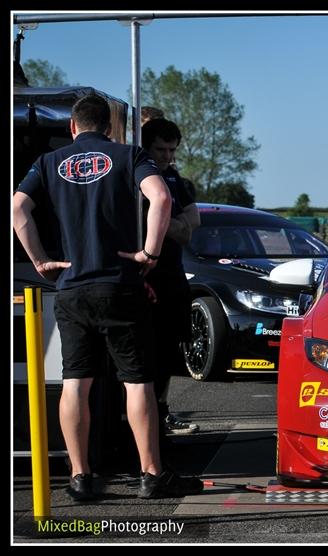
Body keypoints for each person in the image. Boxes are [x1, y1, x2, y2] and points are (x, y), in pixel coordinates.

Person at [13, 94, 202, 501]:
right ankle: (151, 474)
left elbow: (17, 209)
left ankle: (80, 477)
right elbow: (163, 198)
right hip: (120, 285)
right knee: (137, 384)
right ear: (109, 127)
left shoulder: (48, 163)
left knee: (75, 383)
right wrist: (150, 253)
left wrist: (41, 260)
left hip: (72, 287)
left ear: (72, 127)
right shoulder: (129, 155)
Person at [141, 118, 201, 437]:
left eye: (171, 150)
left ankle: (162, 411)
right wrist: (176, 227)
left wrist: (173, 226)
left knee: (168, 353)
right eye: (161, 149)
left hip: (173, 279)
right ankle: (143, 418)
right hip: (147, 280)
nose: (167, 157)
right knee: (145, 355)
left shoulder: (174, 178)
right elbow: (174, 225)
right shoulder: (140, 177)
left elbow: (193, 221)